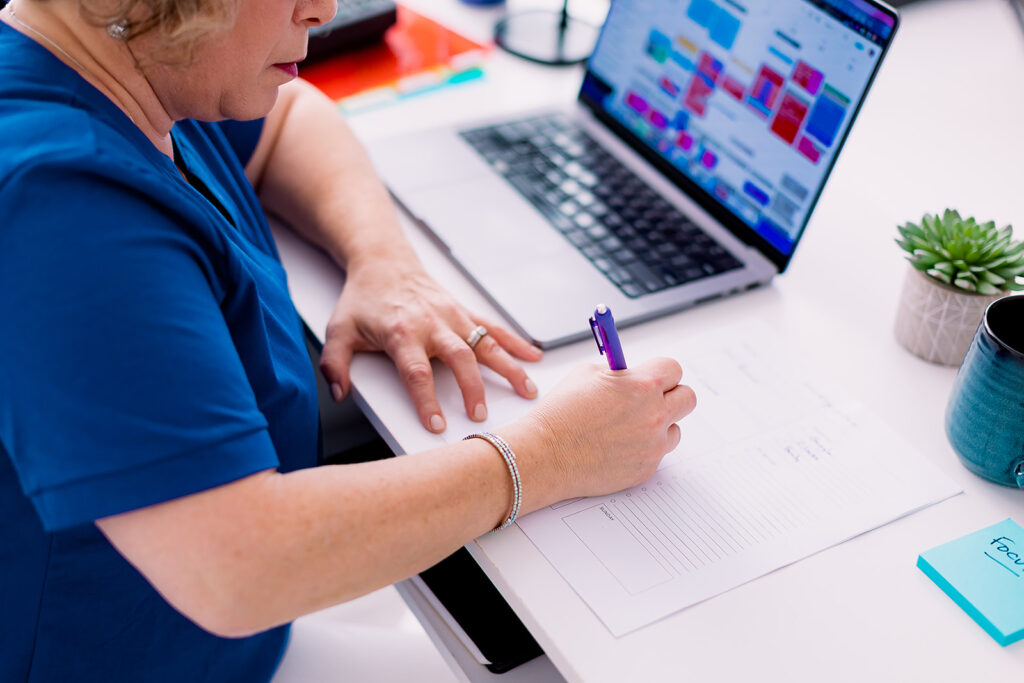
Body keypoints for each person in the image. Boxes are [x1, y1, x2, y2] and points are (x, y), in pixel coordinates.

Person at [0, 0, 697, 680]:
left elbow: (288, 119)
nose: (324, 10)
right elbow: (238, 566)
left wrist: (383, 260)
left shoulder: (124, 66)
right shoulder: (64, 210)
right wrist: (550, 452)